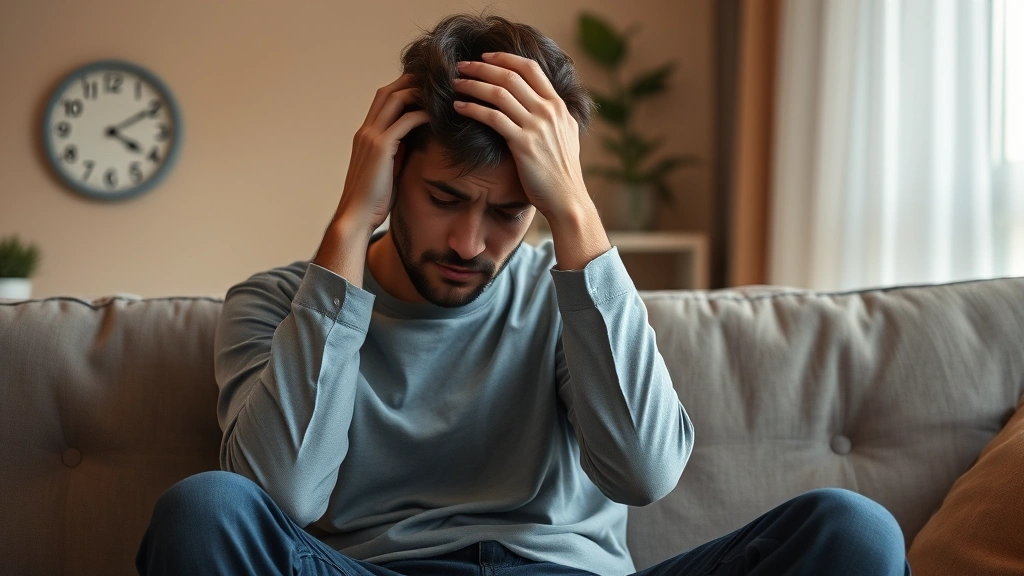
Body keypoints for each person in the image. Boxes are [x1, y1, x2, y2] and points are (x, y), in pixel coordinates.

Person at [136, 12, 911, 576]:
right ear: (394, 172)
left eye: (509, 212)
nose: (471, 244)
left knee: (853, 531)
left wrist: (574, 211)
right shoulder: (274, 304)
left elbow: (643, 473)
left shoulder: (568, 291)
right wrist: (347, 225)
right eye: (444, 197)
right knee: (206, 509)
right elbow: (286, 492)